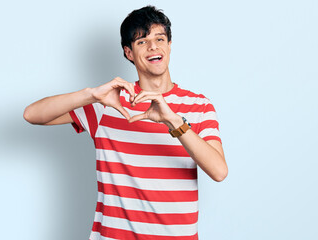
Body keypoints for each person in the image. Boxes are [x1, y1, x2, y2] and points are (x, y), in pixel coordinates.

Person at [24, 5, 228, 240]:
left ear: (169, 46)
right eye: (142, 41)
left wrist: (173, 122)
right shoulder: (108, 103)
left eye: (160, 38)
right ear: (128, 53)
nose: (153, 46)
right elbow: (32, 114)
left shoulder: (199, 106)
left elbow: (219, 171)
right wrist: (90, 94)